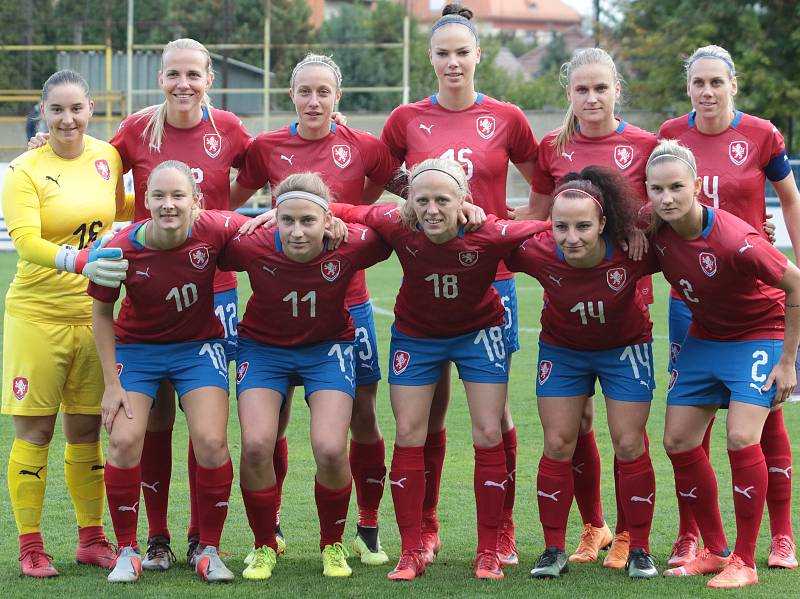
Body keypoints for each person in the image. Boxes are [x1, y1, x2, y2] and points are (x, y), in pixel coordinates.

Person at [325, 158, 546, 580]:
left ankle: (488, 549)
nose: (430, 209)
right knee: (409, 432)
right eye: (421, 199)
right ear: (409, 201)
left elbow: (551, 228)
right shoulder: (396, 223)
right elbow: (340, 209)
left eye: (442, 199)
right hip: (417, 336)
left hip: (479, 333)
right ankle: (412, 550)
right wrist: (271, 215)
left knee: (488, 430)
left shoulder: (488, 232)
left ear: (463, 200)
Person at [380, 2, 539, 565]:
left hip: (492, 282)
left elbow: (541, 182)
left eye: (462, 53)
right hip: (428, 280)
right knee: (429, 412)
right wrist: (423, 210)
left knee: (496, 418)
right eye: (443, 54)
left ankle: (503, 529)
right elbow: (387, 177)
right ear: (431, 58)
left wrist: (509, 233)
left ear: (478, 56)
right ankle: (423, 528)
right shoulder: (404, 120)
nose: (453, 63)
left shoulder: (507, 117)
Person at [230, 53, 404, 565]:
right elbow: (225, 198)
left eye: (323, 92)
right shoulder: (265, 147)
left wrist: (347, 221)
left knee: (363, 419)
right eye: (304, 91)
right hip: (278, 310)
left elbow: (410, 196)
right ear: (291, 96)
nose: (313, 101)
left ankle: (366, 530)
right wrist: (258, 221)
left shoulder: (364, 146)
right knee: (270, 427)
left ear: (338, 97)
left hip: (349, 306)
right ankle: (273, 527)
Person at [107, 38, 252, 569]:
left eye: (193, 73)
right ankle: (157, 538)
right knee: (154, 424)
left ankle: (201, 537)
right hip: (149, 298)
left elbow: (260, 171)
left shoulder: (229, 129)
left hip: (212, 297)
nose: (183, 83)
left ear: (210, 78)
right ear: (160, 78)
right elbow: (99, 171)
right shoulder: (138, 128)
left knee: (208, 425)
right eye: (173, 74)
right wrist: (44, 144)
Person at [513, 47, 657, 568]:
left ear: (617, 88)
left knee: (626, 435)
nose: (591, 97)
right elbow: (535, 214)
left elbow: (668, 208)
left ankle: (628, 536)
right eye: (581, 89)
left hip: (625, 302)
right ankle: (592, 526)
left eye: (601, 87)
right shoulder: (552, 147)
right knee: (570, 431)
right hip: (567, 311)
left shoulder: (646, 143)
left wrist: (643, 228)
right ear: (568, 94)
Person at [658, 44, 800, 569]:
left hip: (754, 289)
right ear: (688, 87)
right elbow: (654, 203)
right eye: (698, 83)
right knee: (689, 427)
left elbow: (788, 198)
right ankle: (695, 536)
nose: (707, 91)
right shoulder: (671, 134)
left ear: (733, 85)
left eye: (717, 82)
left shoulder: (761, 134)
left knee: (762, 422)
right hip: (689, 300)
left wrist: (793, 259)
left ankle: (780, 535)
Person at [218, 173, 392, 580]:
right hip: (264, 349)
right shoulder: (251, 243)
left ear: (327, 220)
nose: (297, 232)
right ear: (273, 218)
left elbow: (396, 223)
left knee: (331, 448)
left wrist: (347, 216)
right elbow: (205, 233)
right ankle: (264, 545)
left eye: (308, 221)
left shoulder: (352, 242)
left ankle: (332, 543)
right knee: (257, 444)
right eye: (287, 220)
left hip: (326, 349)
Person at [2, 69, 131, 577]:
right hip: (36, 316)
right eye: (56, 110)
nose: (67, 119)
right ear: (42, 113)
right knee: (35, 432)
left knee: (85, 433)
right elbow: (27, 240)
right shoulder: (23, 170)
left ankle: (91, 538)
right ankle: (30, 545)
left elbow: (122, 205)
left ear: (91, 109)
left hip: (93, 315)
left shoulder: (108, 157)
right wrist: (79, 263)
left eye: (76, 108)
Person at [89, 160, 237, 583]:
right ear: (145, 201)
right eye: (159, 196)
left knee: (210, 440)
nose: (168, 205)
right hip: (138, 350)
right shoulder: (120, 248)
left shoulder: (213, 230)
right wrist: (111, 384)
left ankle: (208, 549)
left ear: (196, 202)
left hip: (197, 347)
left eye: (178, 196)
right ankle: (128, 551)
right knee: (123, 441)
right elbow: (101, 314)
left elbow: (262, 227)